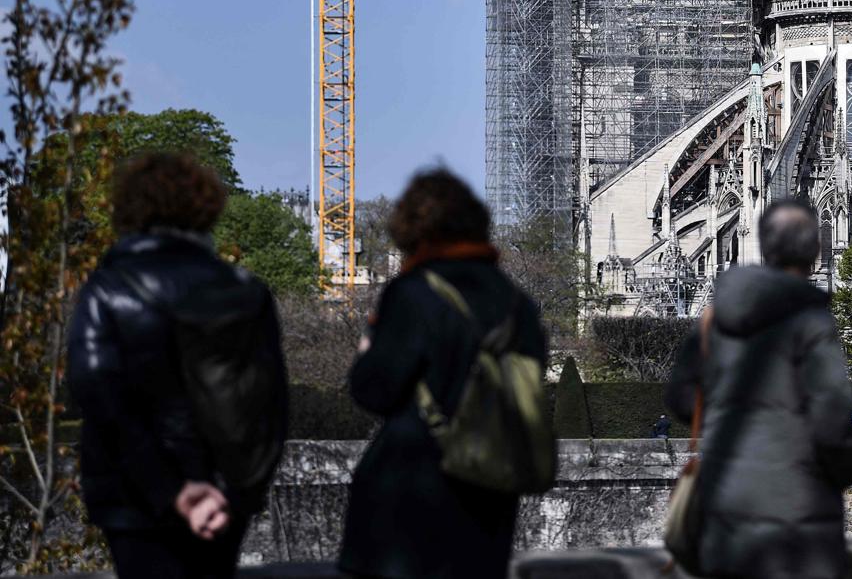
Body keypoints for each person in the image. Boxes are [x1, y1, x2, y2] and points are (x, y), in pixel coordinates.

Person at [67, 152, 287, 579]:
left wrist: (172, 491)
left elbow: (99, 396)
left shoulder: (109, 288)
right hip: (224, 498)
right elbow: (269, 406)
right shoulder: (245, 290)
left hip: (135, 498)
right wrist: (233, 492)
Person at [339, 168, 547, 579]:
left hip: (410, 489)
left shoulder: (414, 292)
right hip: (489, 489)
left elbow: (374, 391)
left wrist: (368, 350)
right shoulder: (517, 304)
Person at [665, 200, 852, 579]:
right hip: (801, 516)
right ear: (816, 250)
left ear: (761, 243)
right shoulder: (811, 321)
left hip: (726, 510)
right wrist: (842, 471)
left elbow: (680, 397)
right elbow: (832, 419)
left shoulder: (715, 316)